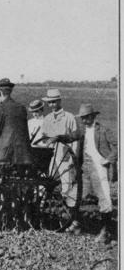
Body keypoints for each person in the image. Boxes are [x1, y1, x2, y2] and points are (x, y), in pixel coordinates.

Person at [54, 104, 117, 242]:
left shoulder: (103, 130)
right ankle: (76, 224)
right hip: (85, 169)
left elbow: (118, 145)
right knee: (73, 196)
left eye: (86, 117)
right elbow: (72, 136)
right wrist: (59, 137)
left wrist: (108, 160)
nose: (84, 120)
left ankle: (105, 231)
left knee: (104, 198)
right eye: (82, 118)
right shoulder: (83, 130)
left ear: (93, 116)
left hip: (99, 168)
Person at [39, 88, 79, 229]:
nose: (52, 105)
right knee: (44, 183)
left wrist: (72, 159)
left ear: (60, 101)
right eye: (50, 102)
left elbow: (75, 138)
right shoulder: (48, 119)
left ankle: (70, 218)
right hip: (50, 154)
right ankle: (43, 214)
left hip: (65, 154)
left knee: (67, 185)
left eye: (54, 102)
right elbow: (43, 137)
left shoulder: (69, 117)